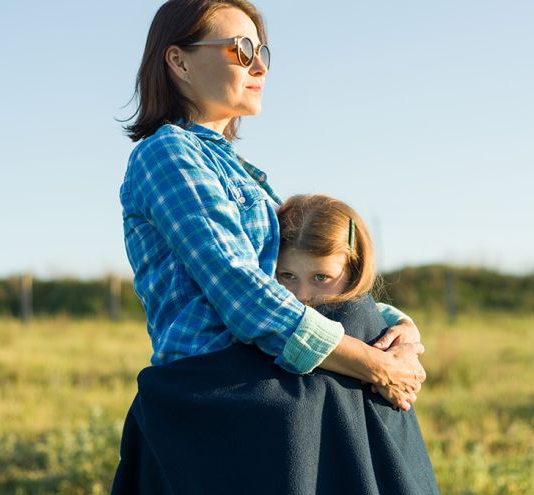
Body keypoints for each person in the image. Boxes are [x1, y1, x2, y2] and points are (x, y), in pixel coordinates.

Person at [112, 1, 433, 493]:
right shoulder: (167, 154)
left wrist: (397, 330)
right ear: (177, 61)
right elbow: (242, 292)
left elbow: (299, 283)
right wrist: (373, 364)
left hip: (262, 375)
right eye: (241, 49)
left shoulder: (245, 175)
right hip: (221, 389)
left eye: (262, 50)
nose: (259, 65)